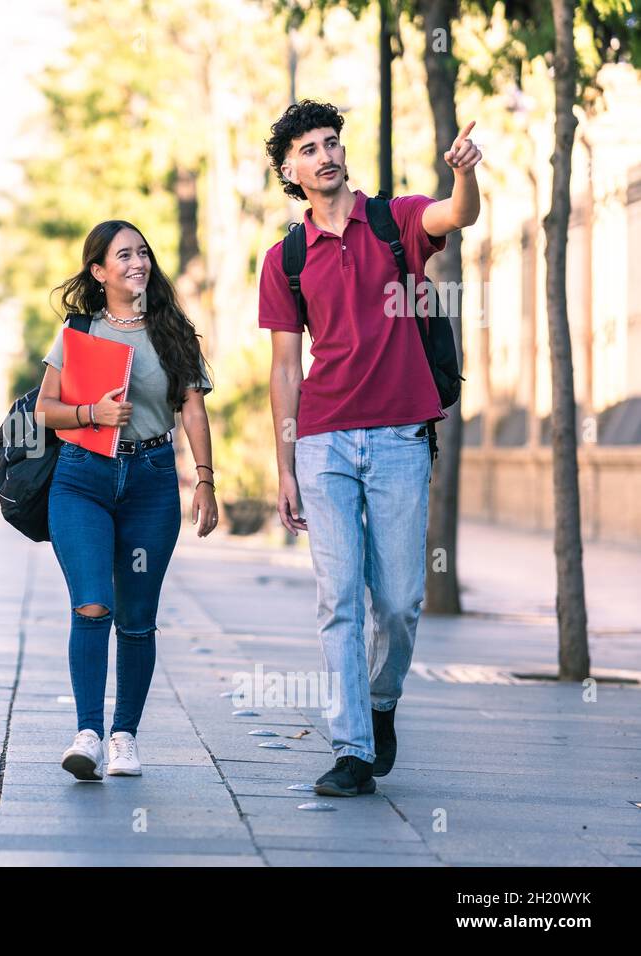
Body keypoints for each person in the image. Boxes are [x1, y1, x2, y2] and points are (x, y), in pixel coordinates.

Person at [258, 100, 481, 796]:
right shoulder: (286, 258)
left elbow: (459, 215)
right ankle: (352, 748)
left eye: (331, 142)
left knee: (400, 601)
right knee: (340, 600)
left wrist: (465, 175)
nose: (326, 155)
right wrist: (285, 462)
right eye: (309, 149)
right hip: (323, 441)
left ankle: (381, 705)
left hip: (399, 437)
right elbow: (286, 367)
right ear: (291, 171)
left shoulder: (395, 221)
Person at [37, 219, 217, 781]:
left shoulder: (172, 330)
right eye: (124, 256)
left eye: (143, 253)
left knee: (137, 620)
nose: (138, 263)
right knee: (93, 602)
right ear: (99, 271)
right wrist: (92, 413)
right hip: (82, 479)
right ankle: (88, 732)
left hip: (151, 481)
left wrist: (206, 480)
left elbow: (191, 408)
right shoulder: (78, 331)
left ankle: (124, 736)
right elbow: (45, 408)